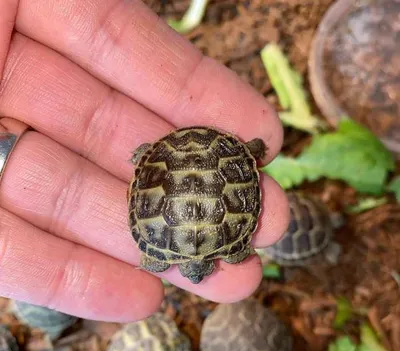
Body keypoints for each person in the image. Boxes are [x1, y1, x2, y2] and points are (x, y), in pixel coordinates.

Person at [0, 0, 289, 322]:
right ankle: (174, 155)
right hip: (203, 155)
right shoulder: (169, 251)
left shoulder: (221, 247)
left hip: (196, 156)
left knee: (248, 175)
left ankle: (242, 152)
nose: (194, 277)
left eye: (196, 274)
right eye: (197, 272)